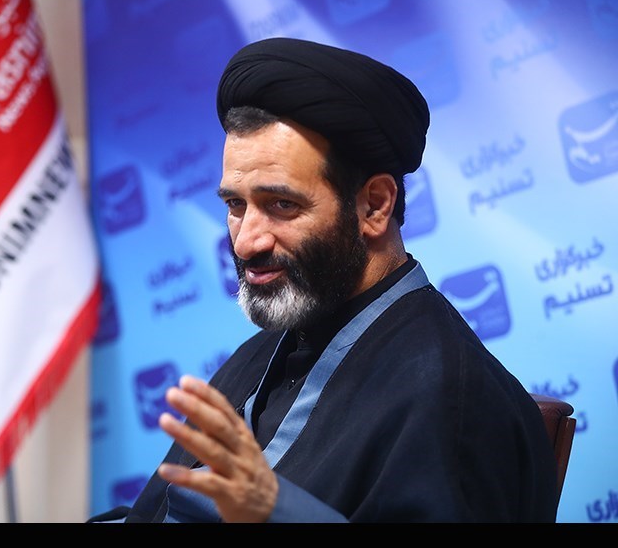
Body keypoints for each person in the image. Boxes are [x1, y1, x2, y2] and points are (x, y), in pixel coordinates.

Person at [90, 37, 559, 523]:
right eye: (235, 205)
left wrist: (275, 512)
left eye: (282, 205)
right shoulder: (258, 355)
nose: (246, 242)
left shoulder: (456, 399)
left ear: (374, 205)